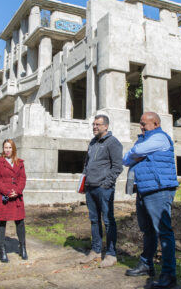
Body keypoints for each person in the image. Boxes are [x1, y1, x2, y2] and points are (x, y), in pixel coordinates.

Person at [123, 112, 178, 289]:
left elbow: (136, 152)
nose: (141, 127)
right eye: (140, 123)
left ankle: (169, 275)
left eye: (144, 124)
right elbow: (126, 160)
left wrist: (135, 153)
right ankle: (147, 264)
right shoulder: (144, 140)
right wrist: (134, 154)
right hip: (144, 189)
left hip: (159, 190)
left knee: (163, 231)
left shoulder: (160, 137)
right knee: (148, 230)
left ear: (155, 123)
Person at [79, 114, 123, 268]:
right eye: (93, 124)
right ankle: (96, 251)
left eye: (98, 124)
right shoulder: (92, 142)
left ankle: (111, 254)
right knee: (94, 220)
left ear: (106, 126)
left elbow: (118, 166)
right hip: (90, 187)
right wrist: (84, 183)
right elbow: (87, 164)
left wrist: (106, 184)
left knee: (108, 221)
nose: (94, 127)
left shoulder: (113, 143)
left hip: (104, 189)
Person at [0, 139, 27, 263]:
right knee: (2, 222)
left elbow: (22, 178)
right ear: (3, 149)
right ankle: (2, 249)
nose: (7, 150)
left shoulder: (20, 162)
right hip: (2, 195)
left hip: (16, 195)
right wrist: (7, 192)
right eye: (5, 147)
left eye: (10, 148)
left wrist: (17, 190)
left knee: (20, 221)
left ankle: (23, 247)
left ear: (13, 148)